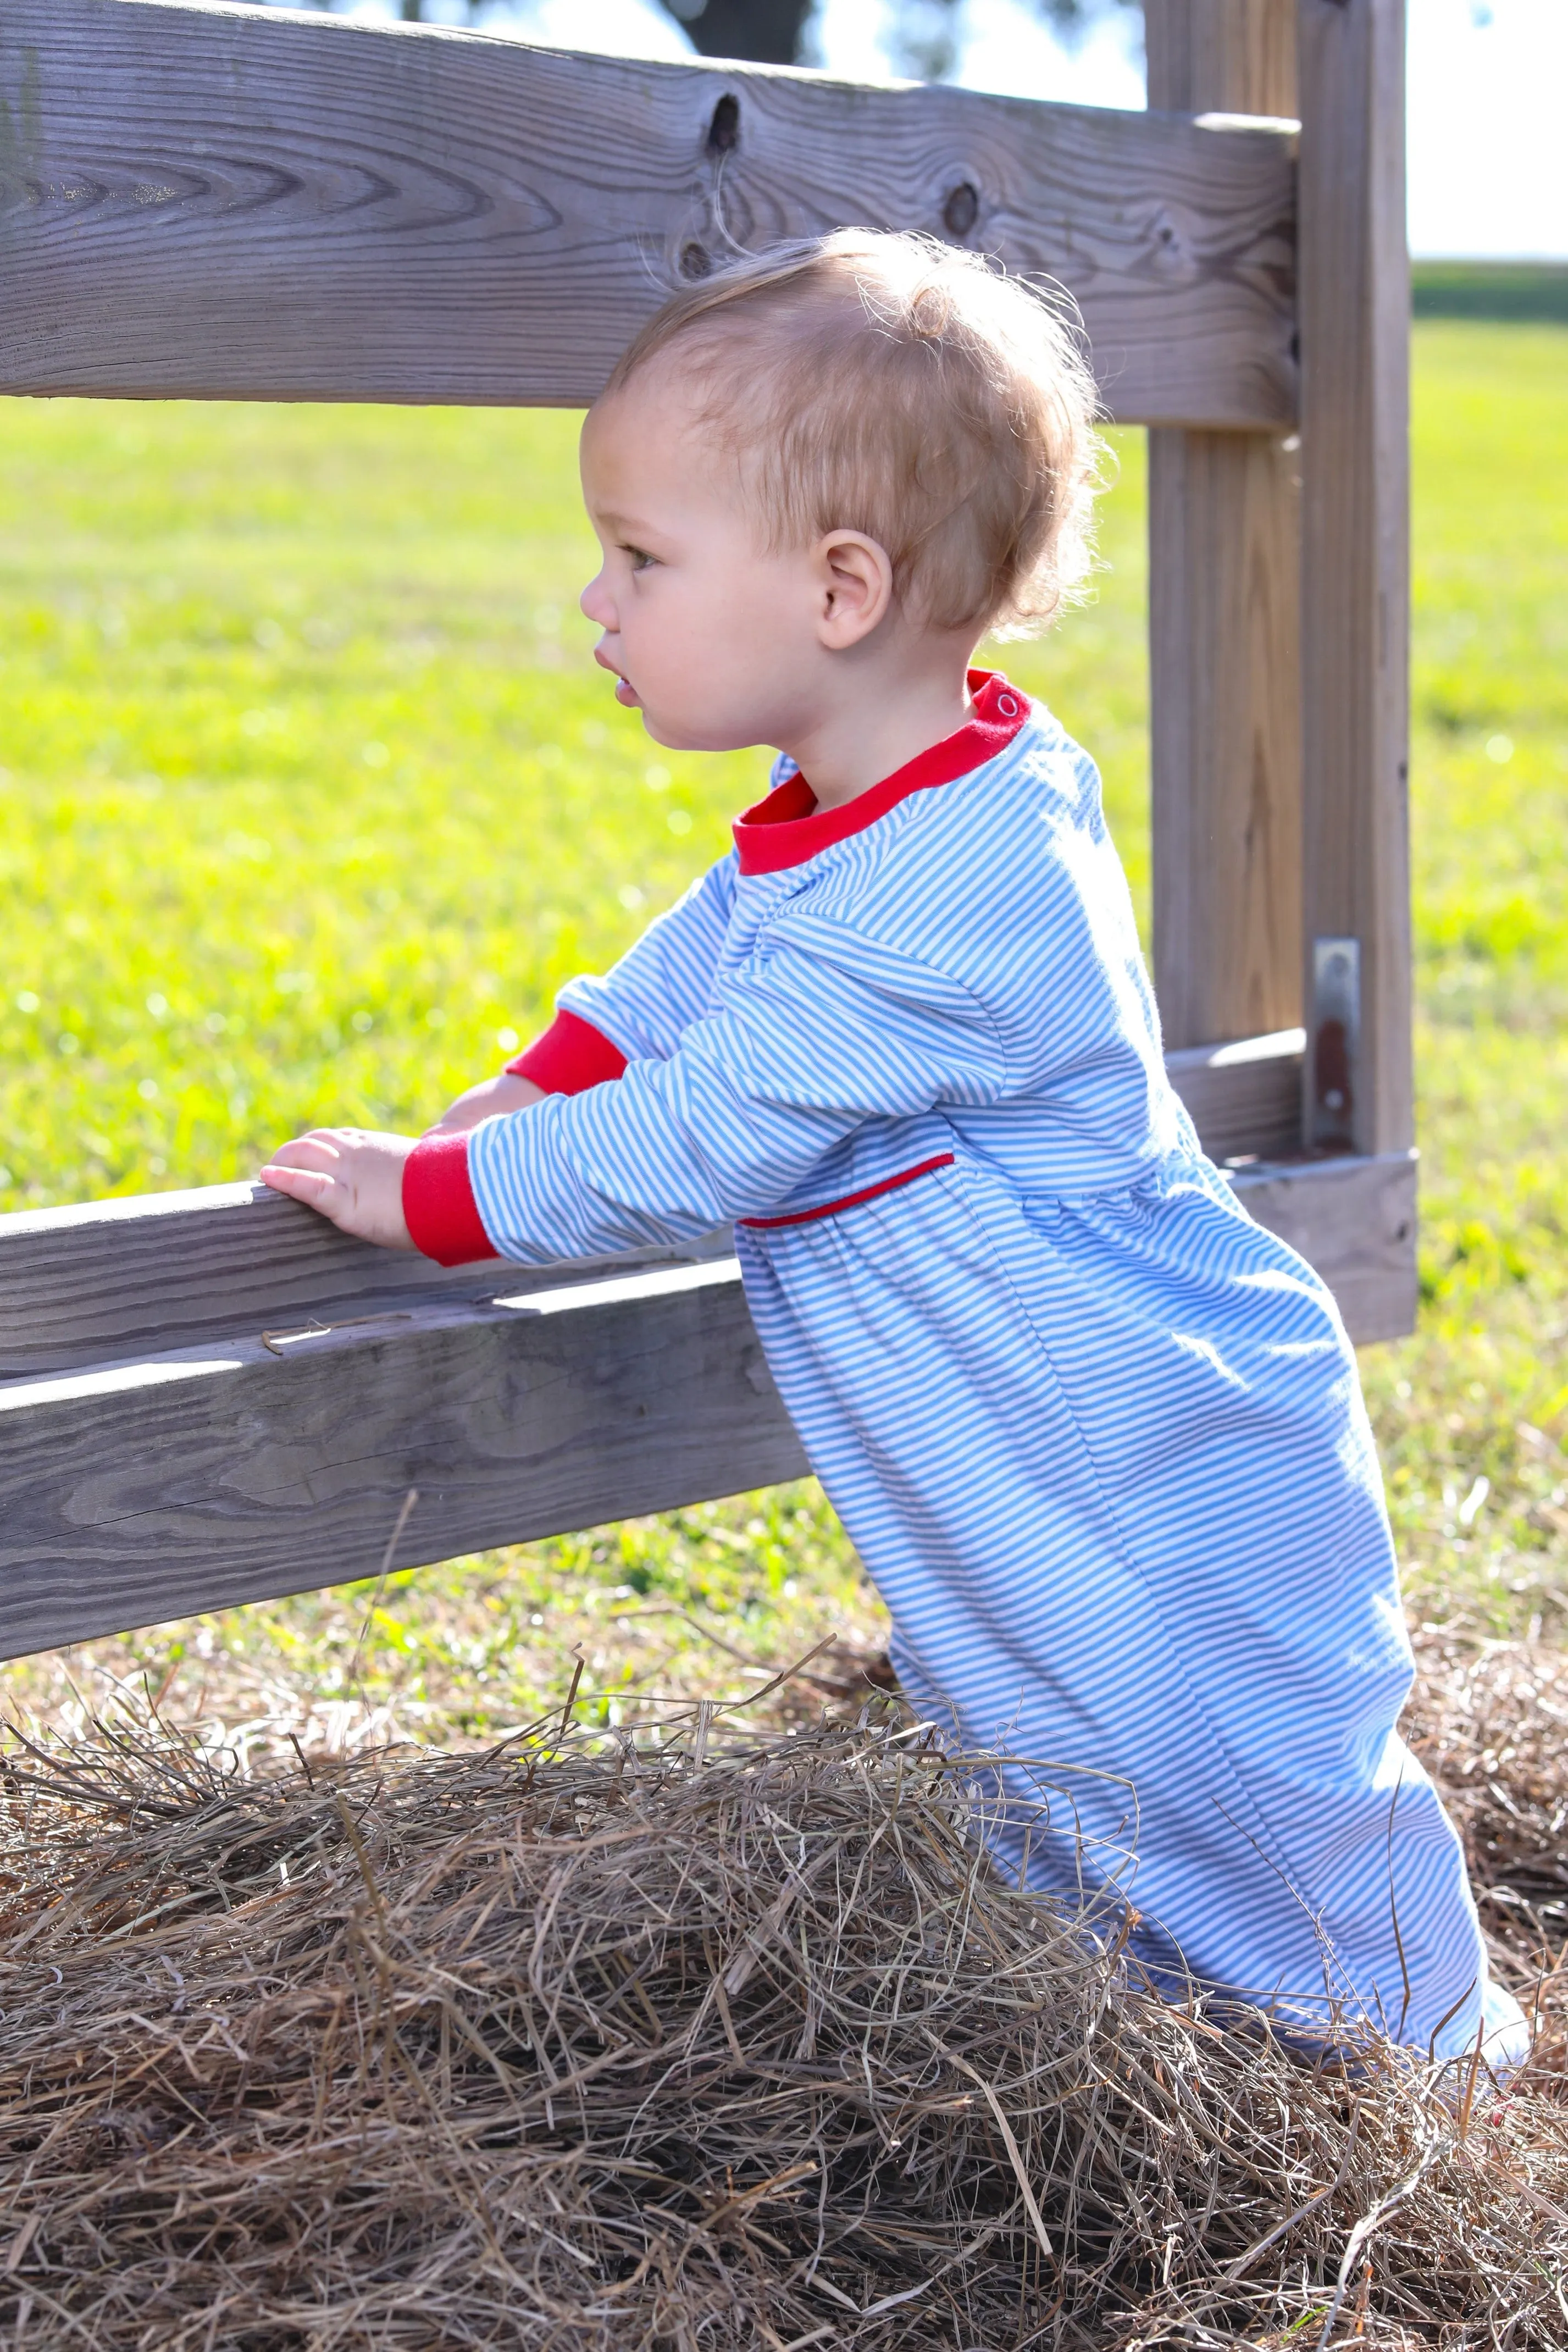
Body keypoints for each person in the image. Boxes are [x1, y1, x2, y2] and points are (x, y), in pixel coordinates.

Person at [262, 230, 1525, 2071]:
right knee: (1057, 1769)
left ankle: (1432, 2079)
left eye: (639, 557)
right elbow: (707, 946)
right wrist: (550, 1067)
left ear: (840, 586)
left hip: (1144, 1451)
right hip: (1026, 1443)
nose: (593, 602)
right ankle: (1187, 2042)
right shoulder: (881, 800)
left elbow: (693, 1137)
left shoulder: (953, 894)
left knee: (1244, 1763)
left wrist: (425, 1193)